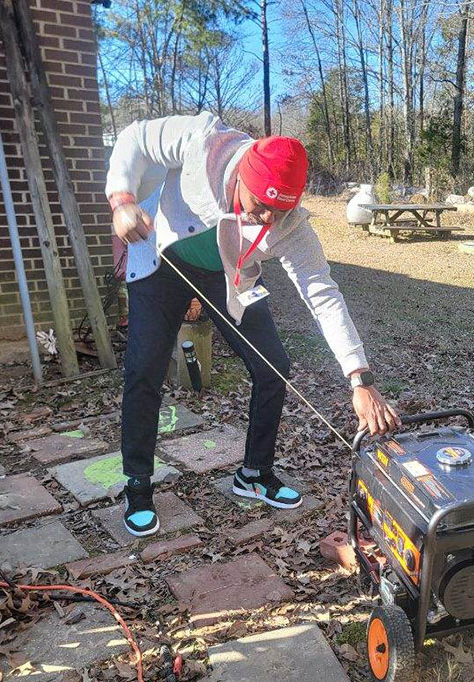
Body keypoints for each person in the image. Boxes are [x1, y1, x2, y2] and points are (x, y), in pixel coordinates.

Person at [106, 113, 401, 537]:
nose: (265, 220)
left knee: (274, 365)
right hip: (160, 261)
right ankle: (138, 485)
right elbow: (135, 139)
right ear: (242, 174)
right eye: (259, 205)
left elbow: (322, 292)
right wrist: (123, 200)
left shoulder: (290, 223)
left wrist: (360, 378)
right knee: (143, 370)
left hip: (229, 276)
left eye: (278, 211)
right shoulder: (201, 141)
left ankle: (255, 474)